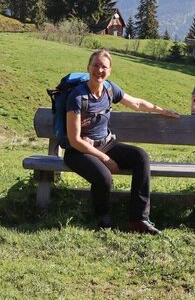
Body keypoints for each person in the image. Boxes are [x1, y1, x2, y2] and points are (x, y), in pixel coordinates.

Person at [63, 49, 179, 234]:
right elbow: (75, 140)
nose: (99, 70)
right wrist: (105, 159)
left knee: (141, 157)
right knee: (104, 177)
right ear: (88, 67)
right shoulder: (77, 97)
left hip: (106, 144)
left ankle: (139, 219)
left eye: (104, 67)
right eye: (95, 66)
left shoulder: (110, 89)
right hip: (79, 152)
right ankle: (102, 216)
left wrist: (161, 110)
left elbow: (137, 103)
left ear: (109, 71)